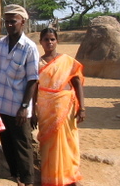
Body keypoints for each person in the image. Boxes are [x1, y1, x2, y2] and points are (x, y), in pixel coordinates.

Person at [0, 4, 39, 186]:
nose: (9, 25)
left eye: (13, 22)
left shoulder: (29, 48)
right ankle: (14, 178)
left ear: (23, 22)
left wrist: (25, 107)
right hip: (2, 107)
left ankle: (27, 181)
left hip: (19, 109)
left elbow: (32, 80)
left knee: (23, 148)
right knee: (8, 146)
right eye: (7, 22)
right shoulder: (1, 44)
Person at [33, 28, 85, 186]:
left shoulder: (67, 61)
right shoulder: (37, 63)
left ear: (57, 41)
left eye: (52, 39)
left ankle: (69, 177)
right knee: (49, 144)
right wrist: (32, 111)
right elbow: (34, 88)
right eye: (46, 39)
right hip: (45, 108)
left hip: (65, 107)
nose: (49, 42)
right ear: (41, 42)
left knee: (68, 142)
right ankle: (51, 179)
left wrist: (82, 107)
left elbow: (76, 83)